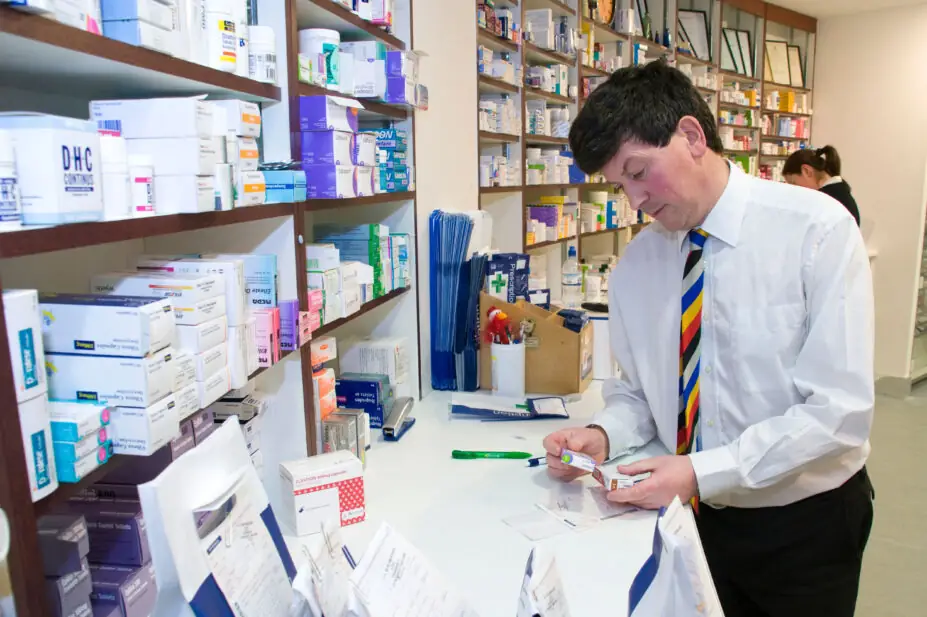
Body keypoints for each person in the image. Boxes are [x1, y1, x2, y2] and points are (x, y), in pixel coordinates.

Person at [543, 60, 875, 617]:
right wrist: (604, 434)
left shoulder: (816, 230)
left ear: (692, 136)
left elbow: (838, 412)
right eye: (619, 184)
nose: (635, 201)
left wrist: (701, 470)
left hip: (804, 527)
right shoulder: (638, 265)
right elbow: (642, 394)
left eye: (639, 171)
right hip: (691, 519)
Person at [782, 146, 861, 225]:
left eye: (794, 183)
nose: (794, 190)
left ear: (807, 171)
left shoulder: (824, 201)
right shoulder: (841, 192)